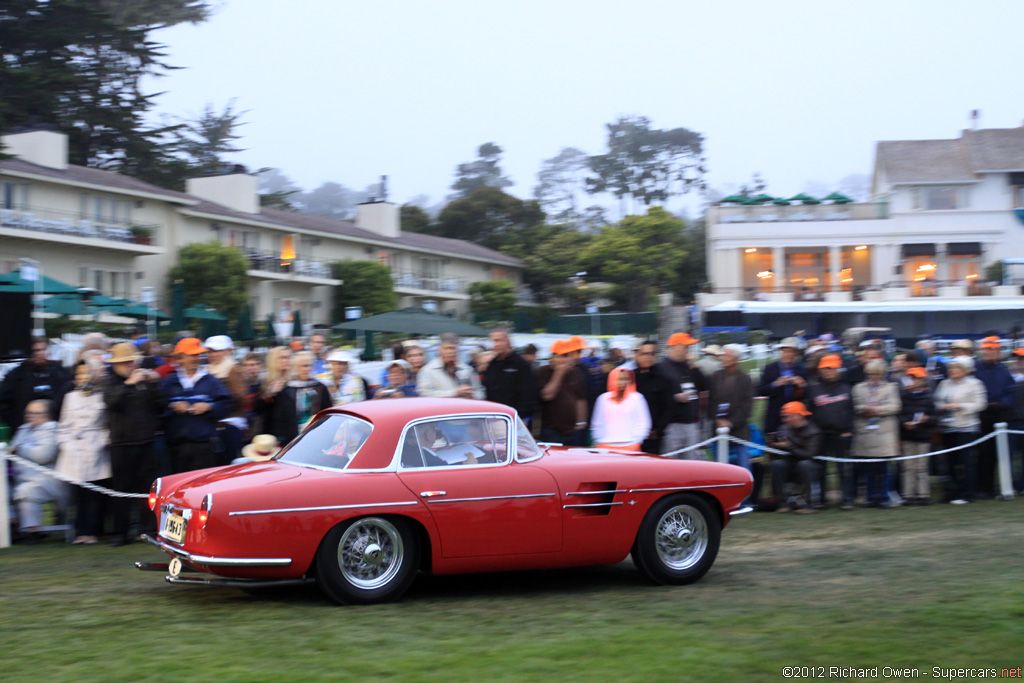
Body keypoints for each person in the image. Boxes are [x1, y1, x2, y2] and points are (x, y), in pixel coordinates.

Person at [104, 342, 164, 546]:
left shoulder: (143, 380)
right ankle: (120, 533)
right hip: (122, 445)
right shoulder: (110, 381)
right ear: (116, 364)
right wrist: (130, 383)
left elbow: (160, 405)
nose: (130, 365)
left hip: (146, 442)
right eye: (125, 362)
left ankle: (148, 530)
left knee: (148, 490)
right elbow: (111, 402)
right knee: (121, 491)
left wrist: (154, 383)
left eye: (132, 361)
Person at [55, 360, 111, 544]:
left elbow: (106, 426)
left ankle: (94, 532)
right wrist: (67, 445)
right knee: (78, 495)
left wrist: (100, 443)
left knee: (94, 494)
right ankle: (81, 532)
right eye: (78, 374)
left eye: (85, 373)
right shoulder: (69, 397)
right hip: (73, 451)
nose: (81, 378)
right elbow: (63, 426)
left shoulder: (102, 396)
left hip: (96, 449)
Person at [161, 338, 233, 473]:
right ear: (180, 358)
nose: (196, 358)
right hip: (176, 447)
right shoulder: (169, 382)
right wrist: (172, 407)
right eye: (192, 355)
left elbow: (226, 406)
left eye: (198, 355)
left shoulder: (211, 381)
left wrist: (209, 407)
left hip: (204, 446)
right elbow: (159, 407)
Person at [9, 399, 67, 543]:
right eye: (28, 412)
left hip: (47, 479)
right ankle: (12, 526)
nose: (29, 415)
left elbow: (44, 454)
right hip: (22, 477)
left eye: (35, 413)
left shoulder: (52, 428)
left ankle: (32, 531)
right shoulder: (23, 429)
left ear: (47, 415)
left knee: (26, 491)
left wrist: (20, 449)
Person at [934, 356, 987, 504]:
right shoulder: (944, 384)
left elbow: (980, 404)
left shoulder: (975, 384)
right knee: (949, 462)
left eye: (956, 368)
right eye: (951, 368)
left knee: (966, 462)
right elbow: (937, 400)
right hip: (947, 427)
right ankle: (952, 492)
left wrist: (960, 406)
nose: (952, 371)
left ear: (965, 369)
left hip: (966, 427)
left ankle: (968, 493)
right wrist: (942, 407)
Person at [806, 353, 855, 510]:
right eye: (825, 369)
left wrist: (849, 430)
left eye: (832, 369)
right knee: (821, 469)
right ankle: (821, 500)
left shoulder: (846, 388)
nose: (828, 372)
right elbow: (809, 412)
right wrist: (813, 432)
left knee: (844, 469)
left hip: (842, 434)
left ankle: (847, 499)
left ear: (838, 369)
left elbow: (852, 411)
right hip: (820, 435)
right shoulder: (813, 389)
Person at [851, 359, 902, 507]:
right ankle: (870, 497)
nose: (873, 377)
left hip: (884, 433)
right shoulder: (858, 388)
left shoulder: (891, 387)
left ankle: (885, 497)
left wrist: (878, 410)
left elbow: (895, 406)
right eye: (870, 374)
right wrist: (864, 409)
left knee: (885, 468)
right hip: (866, 432)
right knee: (869, 468)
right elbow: (855, 405)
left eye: (876, 374)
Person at [261, 351, 333, 445]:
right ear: (295, 368)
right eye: (304, 366)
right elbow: (279, 418)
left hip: (316, 437)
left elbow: (327, 413)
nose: (307, 369)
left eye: (310, 365)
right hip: (292, 439)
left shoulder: (320, 388)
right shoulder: (286, 389)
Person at [0, 337, 72, 431]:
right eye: (36, 350)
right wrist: (17, 425)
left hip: (55, 429)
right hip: (26, 430)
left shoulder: (61, 373)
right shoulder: (16, 376)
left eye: (43, 349)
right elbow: (4, 403)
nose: (39, 353)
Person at [973, 337, 1014, 498]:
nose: (991, 353)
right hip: (980, 415)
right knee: (980, 453)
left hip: (998, 416)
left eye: (994, 350)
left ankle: (990, 487)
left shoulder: (1003, 370)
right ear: (983, 351)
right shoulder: (975, 368)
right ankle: (979, 487)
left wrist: (1003, 403)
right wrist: (984, 403)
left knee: (996, 454)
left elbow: (1010, 391)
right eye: (988, 350)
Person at [656, 334, 707, 458]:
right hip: (673, 424)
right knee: (671, 463)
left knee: (692, 463)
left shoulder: (688, 366)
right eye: (685, 347)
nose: (687, 350)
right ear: (675, 347)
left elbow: (704, 385)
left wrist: (694, 366)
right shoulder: (661, 367)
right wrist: (675, 397)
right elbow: (657, 395)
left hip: (691, 422)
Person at [707, 345, 754, 471]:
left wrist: (731, 422)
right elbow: (710, 401)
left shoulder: (745, 379)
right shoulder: (715, 377)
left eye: (727, 356)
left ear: (735, 359)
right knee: (720, 469)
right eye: (723, 355)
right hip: (718, 430)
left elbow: (747, 406)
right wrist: (717, 419)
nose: (724, 358)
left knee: (743, 467)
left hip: (739, 431)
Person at [770, 401, 822, 514]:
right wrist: (773, 444)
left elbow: (809, 454)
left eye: (787, 417)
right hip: (790, 464)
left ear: (798, 415)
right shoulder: (783, 428)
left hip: (809, 466)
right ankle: (782, 503)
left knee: (804, 464)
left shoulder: (814, 431)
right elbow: (779, 451)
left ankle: (810, 504)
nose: (785, 420)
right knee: (777, 464)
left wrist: (789, 446)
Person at [204, 335, 249, 464]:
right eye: (210, 351)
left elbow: (240, 396)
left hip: (230, 425)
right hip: (214, 425)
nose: (213, 355)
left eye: (217, 351)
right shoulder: (208, 369)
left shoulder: (233, 369)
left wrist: (213, 401)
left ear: (227, 351)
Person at [535, 340, 588, 446]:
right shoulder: (542, 371)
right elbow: (547, 395)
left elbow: (580, 399)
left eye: (567, 355)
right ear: (553, 357)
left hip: (573, 430)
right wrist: (559, 373)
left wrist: (581, 423)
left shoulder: (576, 373)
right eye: (562, 356)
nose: (565, 359)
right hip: (551, 430)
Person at [481, 326, 537, 422]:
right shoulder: (492, 365)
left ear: (508, 341)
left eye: (499, 340)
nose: (496, 344)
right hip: (493, 418)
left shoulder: (521, 365)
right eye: (494, 341)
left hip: (515, 419)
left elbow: (529, 395)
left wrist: (520, 418)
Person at [900, 367, 937, 505]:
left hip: (923, 437)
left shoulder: (929, 397)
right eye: (912, 377)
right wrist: (905, 423)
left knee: (921, 467)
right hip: (908, 436)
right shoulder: (903, 396)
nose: (913, 380)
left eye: (916, 378)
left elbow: (935, 417)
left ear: (922, 380)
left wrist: (926, 419)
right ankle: (908, 495)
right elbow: (900, 415)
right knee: (908, 467)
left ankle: (923, 495)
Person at [589, 368, 651, 451]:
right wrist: (599, 439)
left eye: (626, 379)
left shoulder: (637, 398)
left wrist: (637, 440)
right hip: (605, 446)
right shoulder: (603, 398)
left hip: (631, 445)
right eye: (619, 379)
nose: (623, 382)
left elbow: (643, 422)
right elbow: (597, 422)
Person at [758, 337, 808, 439]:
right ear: (781, 352)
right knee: (774, 444)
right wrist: (775, 384)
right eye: (787, 351)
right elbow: (760, 390)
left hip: (796, 414)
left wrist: (802, 384)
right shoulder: (770, 368)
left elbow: (809, 392)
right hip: (775, 413)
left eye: (793, 352)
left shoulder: (801, 369)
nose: (790, 355)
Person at [631, 340, 674, 454]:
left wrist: (658, 430)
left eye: (651, 354)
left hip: (653, 436)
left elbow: (668, 407)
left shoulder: (664, 379)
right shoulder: (629, 377)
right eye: (644, 354)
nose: (647, 357)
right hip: (631, 435)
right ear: (637, 355)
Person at [417, 333, 484, 399]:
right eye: (447, 348)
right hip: (441, 409)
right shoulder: (427, 370)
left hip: (464, 408)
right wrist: (455, 393)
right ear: (439, 350)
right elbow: (425, 395)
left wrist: (472, 395)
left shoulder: (467, 369)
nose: (451, 351)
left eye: (454, 348)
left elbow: (480, 392)